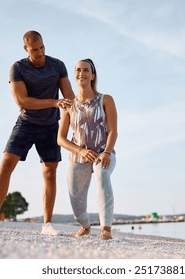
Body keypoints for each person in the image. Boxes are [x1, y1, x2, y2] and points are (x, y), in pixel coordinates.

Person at [0, 31, 74, 235]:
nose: (39, 53)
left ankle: (47, 224)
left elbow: (70, 98)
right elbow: (22, 101)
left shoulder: (57, 66)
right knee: (6, 164)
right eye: (35, 50)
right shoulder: (18, 68)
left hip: (50, 126)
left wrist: (75, 126)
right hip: (26, 123)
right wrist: (54, 102)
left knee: (50, 172)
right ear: (26, 49)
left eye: (42, 48)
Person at [57, 58, 118, 240]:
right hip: (78, 157)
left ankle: (106, 229)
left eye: (85, 70)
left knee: (102, 174)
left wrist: (106, 151)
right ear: (74, 75)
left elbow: (113, 131)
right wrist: (81, 151)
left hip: (103, 153)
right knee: (76, 200)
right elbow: (60, 139)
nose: (81, 73)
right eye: (77, 70)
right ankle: (85, 226)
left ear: (92, 75)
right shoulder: (69, 106)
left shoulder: (105, 100)